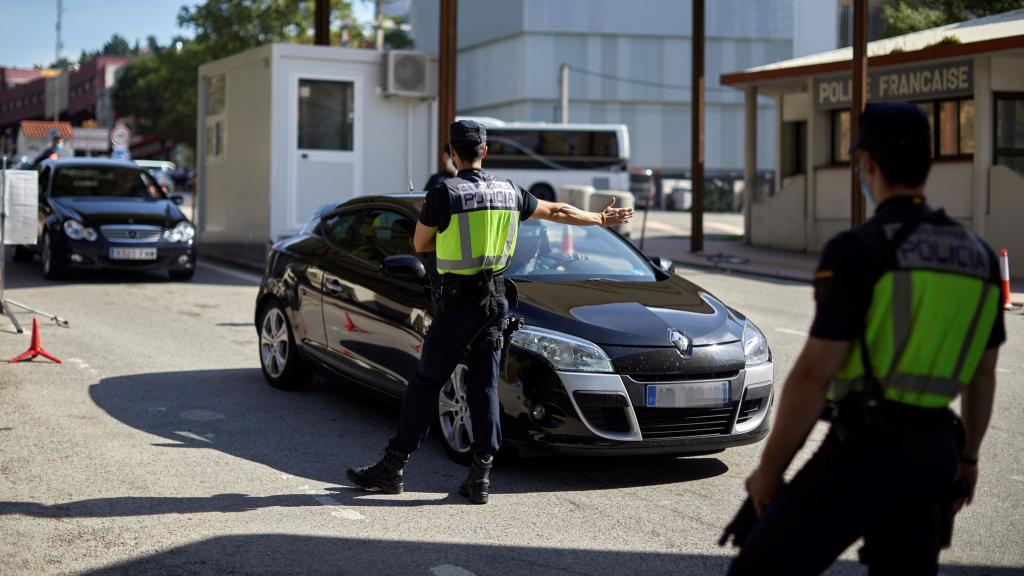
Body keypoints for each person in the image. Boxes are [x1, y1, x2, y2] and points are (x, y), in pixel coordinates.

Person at [728, 103, 1005, 575]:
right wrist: (969, 459)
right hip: (936, 454)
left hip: (865, 452)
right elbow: (982, 376)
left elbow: (815, 375)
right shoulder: (979, 257)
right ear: (927, 163)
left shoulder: (859, 250)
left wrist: (769, 471)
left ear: (868, 164)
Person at [347, 120, 634, 504]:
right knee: (483, 384)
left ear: (452, 153)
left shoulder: (443, 193)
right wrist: (599, 219)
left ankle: (393, 467)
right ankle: (480, 477)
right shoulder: (509, 191)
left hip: (456, 303)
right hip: (496, 300)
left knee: (426, 383)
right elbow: (558, 210)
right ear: (485, 152)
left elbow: (419, 243)